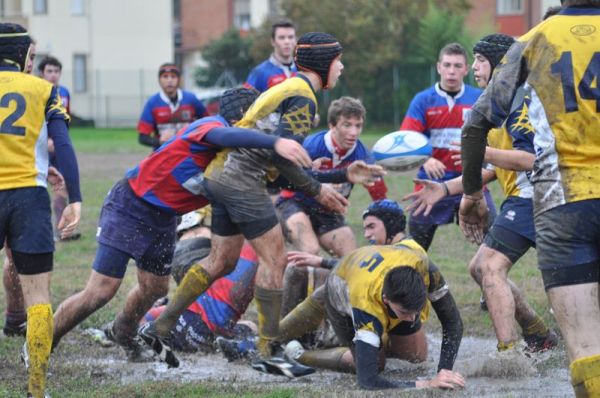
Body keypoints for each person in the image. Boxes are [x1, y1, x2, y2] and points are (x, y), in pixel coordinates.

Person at [139, 32, 385, 373]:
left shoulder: (288, 88)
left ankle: (160, 325)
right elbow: (283, 160)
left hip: (221, 175)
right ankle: (269, 351)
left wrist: (341, 174)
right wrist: (317, 191)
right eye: (338, 61)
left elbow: (281, 168)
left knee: (222, 260)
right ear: (324, 63)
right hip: (242, 181)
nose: (341, 68)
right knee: (276, 260)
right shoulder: (304, 97)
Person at [51, 88, 311, 359]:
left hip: (164, 217)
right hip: (132, 204)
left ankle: (123, 331)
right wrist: (272, 143)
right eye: (260, 119)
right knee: (101, 290)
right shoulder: (212, 126)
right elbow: (223, 135)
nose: (266, 126)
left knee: (155, 289)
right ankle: (44, 340)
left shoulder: (235, 158)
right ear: (244, 119)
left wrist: (323, 180)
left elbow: (280, 180)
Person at [459, 2, 600, 396]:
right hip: (553, 200)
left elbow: (475, 130)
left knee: (588, 347)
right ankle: (533, 335)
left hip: (563, 201)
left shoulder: (533, 41)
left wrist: (472, 194)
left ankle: (518, 346)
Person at [405, 34, 558, 354]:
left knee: (489, 268)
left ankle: (508, 353)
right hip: (524, 197)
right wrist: (447, 187)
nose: (473, 68)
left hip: (540, 199)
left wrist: (482, 151)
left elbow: (533, 161)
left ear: (502, 65)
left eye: (479, 60)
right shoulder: (503, 101)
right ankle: (537, 334)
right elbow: (501, 168)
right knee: (480, 267)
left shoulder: (520, 105)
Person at [274, 200, 464, 390]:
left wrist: (443, 372)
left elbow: (453, 321)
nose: (366, 234)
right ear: (385, 301)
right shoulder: (366, 305)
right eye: (365, 227)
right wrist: (428, 384)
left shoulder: (424, 266)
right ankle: (299, 353)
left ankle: (373, 338)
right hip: (339, 290)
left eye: (371, 226)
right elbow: (368, 382)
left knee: (415, 356)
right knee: (374, 363)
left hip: (363, 278)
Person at [0, 23, 82, 398]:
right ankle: (36, 391)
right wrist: (75, 196)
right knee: (39, 299)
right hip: (29, 199)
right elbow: (61, 143)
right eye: (31, 57)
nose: (33, 64)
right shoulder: (44, 90)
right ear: (19, 56)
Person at [400, 42, 496, 251]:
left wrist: (479, 161)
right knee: (414, 249)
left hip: (472, 180)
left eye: (457, 66)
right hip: (432, 182)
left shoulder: (479, 98)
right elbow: (407, 139)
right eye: (447, 65)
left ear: (466, 68)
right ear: (438, 67)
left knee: (496, 242)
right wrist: (427, 158)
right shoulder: (423, 100)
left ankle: (495, 275)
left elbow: (494, 138)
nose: (451, 71)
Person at [277, 96, 388, 257]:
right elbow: (284, 179)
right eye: (347, 125)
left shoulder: (363, 156)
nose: (353, 132)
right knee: (310, 250)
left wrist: (389, 222)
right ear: (332, 125)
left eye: (358, 126)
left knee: (352, 258)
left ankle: (330, 281)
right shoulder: (311, 146)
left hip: (328, 212)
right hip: (294, 203)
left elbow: (380, 197)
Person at [38, 56, 79, 241]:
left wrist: (58, 140)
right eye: (49, 71)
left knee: (61, 188)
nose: (53, 75)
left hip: (58, 147)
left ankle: (61, 231)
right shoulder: (36, 91)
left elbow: (64, 120)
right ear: (42, 73)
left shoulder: (64, 92)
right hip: (40, 147)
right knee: (37, 189)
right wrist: (45, 140)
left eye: (56, 71)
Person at [137, 63, 208, 150]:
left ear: (179, 79)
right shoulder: (152, 103)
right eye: (165, 76)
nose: (169, 80)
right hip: (163, 153)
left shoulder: (191, 99)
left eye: (173, 77)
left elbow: (208, 122)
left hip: (189, 152)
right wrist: (159, 141)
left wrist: (196, 134)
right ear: (159, 80)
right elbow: (142, 138)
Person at [244, 19, 297, 93]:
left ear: (295, 40)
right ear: (273, 41)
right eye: (282, 37)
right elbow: (244, 100)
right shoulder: (259, 72)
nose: (287, 42)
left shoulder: (302, 70)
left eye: (290, 37)